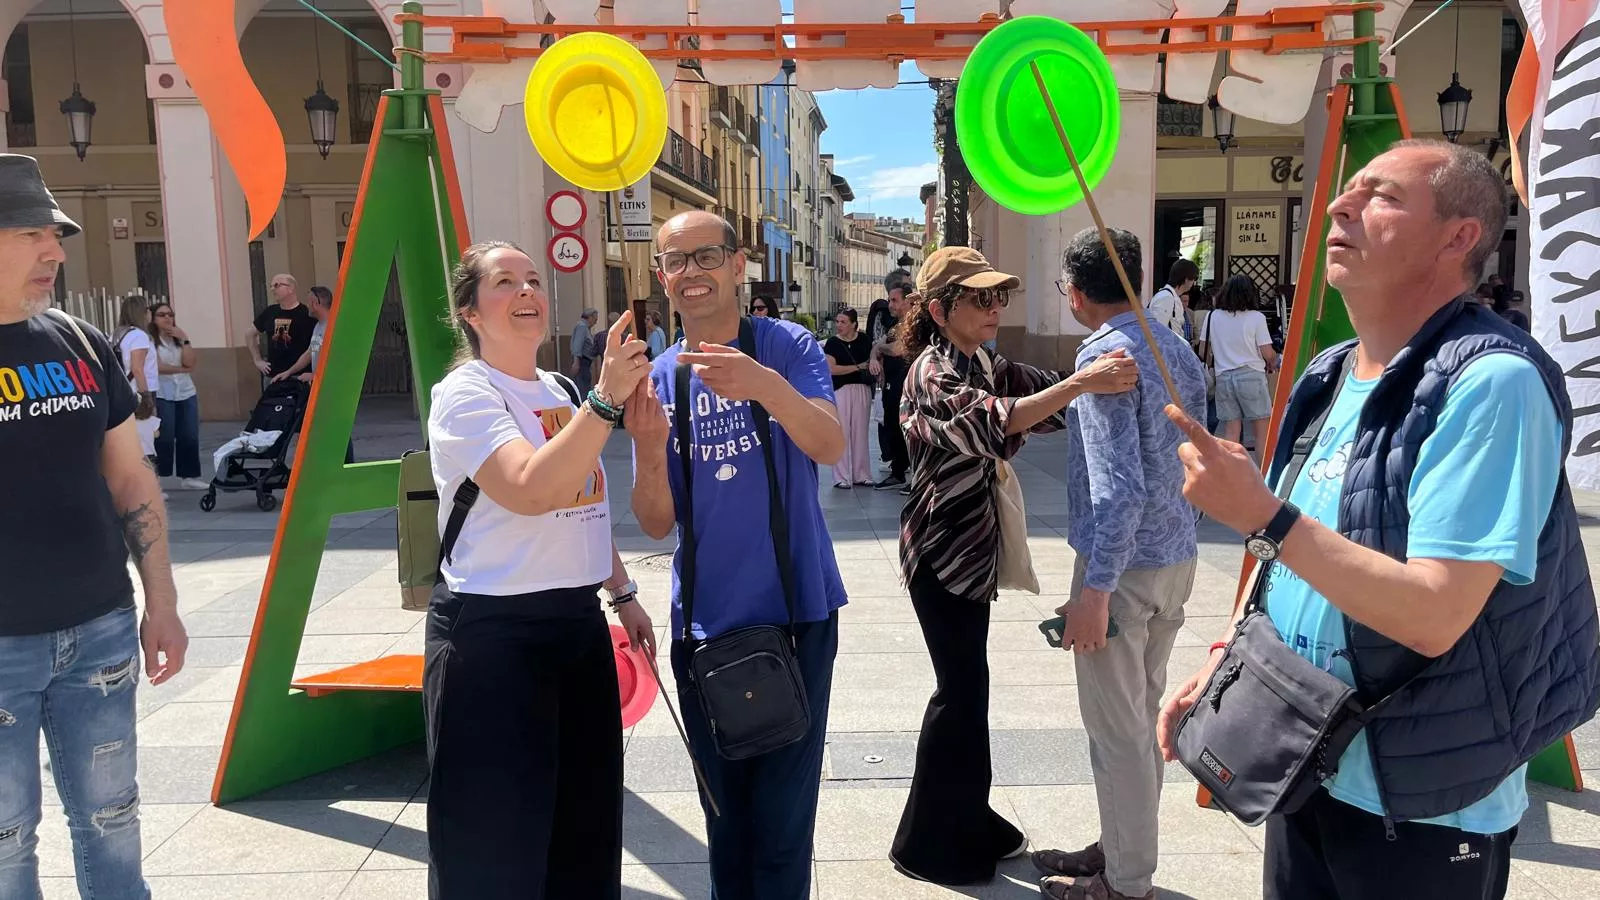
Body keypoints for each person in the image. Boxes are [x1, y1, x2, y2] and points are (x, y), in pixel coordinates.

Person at [1158, 140, 1600, 900]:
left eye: (1382, 196)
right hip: (1308, 762)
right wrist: (1227, 654)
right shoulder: (1333, 371)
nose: (1339, 205)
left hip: (1422, 799)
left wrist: (1261, 513)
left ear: (1460, 237)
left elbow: (1432, 614)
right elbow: (1298, 553)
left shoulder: (1493, 384)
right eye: (1348, 192)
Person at [889, 245, 1140, 887]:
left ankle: (969, 816)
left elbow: (1044, 402)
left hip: (971, 554)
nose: (995, 307)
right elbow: (994, 422)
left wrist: (1096, 375)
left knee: (969, 692)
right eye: (981, 298)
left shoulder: (982, 360)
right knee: (959, 695)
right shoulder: (931, 371)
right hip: (941, 555)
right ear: (942, 310)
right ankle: (926, 842)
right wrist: (1084, 382)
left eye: (999, 296)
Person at [423, 240, 656, 900]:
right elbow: (529, 487)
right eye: (505, 283)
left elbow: (580, 502)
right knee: (491, 842)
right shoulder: (464, 395)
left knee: (582, 832)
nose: (527, 292)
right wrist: (607, 399)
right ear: (470, 311)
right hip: (492, 634)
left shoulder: (560, 389)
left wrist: (622, 590)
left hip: (575, 627)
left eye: (533, 280)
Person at [628, 209, 847, 900]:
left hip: (795, 616)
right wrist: (644, 446)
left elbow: (830, 445)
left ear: (736, 263)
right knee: (725, 824)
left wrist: (764, 386)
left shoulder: (787, 346)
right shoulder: (661, 377)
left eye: (706, 256)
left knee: (783, 827)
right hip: (704, 630)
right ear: (662, 276)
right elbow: (657, 522)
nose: (691, 273)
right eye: (676, 262)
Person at [0, 152, 187, 900]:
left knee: (113, 821)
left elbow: (131, 480)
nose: (54, 249)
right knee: (6, 841)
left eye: (56, 233)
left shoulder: (79, 342)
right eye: (30, 232)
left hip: (100, 632)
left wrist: (163, 604)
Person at [1030, 230, 1209, 900]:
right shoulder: (1173, 345)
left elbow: (1117, 488)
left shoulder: (1106, 357)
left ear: (1076, 294)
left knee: (1121, 732)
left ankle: (1127, 882)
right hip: (1175, 554)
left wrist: (1095, 589)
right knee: (1139, 715)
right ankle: (1120, 848)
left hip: (1125, 566)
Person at [1198, 275, 1280, 455]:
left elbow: (1204, 348)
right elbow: (1267, 353)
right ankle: (1264, 477)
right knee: (1261, 432)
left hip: (1224, 378)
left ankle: (1230, 477)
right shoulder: (1256, 317)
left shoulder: (1212, 316)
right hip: (1251, 376)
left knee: (1230, 432)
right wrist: (1274, 361)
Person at [271, 286, 354, 463]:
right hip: (320, 389)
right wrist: (289, 371)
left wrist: (315, 376)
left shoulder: (334, 326)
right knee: (324, 429)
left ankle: (346, 464)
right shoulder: (318, 326)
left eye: (309, 301)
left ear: (316, 303)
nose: (306, 305)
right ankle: (330, 463)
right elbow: (309, 353)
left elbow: (337, 361)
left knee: (339, 428)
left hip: (334, 389)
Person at [149, 301, 207, 489]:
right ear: (153, 318)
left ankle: (189, 476)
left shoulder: (178, 337)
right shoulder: (149, 340)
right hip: (162, 392)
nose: (167, 318)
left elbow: (191, 362)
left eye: (170, 314)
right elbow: (157, 367)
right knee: (164, 436)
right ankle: (158, 477)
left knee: (189, 434)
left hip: (185, 391)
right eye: (162, 315)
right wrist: (182, 369)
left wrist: (185, 339)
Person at [868, 282, 914, 491]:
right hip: (891, 386)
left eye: (894, 300)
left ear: (907, 300)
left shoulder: (915, 324)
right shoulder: (896, 326)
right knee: (892, 428)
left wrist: (881, 348)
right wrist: (873, 358)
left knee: (909, 431)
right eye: (889, 300)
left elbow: (897, 349)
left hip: (909, 387)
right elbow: (879, 346)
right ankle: (897, 472)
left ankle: (915, 476)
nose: (890, 304)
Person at [823, 307, 874, 489]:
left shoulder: (864, 340)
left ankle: (862, 474)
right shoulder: (832, 343)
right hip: (841, 390)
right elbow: (831, 369)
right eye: (837, 321)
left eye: (843, 322)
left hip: (862, 389)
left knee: (861, 432)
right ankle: (840, 477)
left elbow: (872, 361)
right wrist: (857, 367)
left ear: (853, 324)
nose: (839, 325)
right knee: (842, 432)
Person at [113, 296, 161, 462]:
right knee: (145, 441)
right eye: (147, 309)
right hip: (140, 390)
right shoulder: (139, 336)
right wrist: (146, 397)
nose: (150, 313)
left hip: (124, 390)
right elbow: (137, 369)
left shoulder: (119, 334)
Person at [248, 273, 316, 379]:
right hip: (273, 376)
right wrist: (257, 360)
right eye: (271, 286)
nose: (272, 290)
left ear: (291, 288)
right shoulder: (270, 312)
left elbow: (316, 346)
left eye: (276, 285)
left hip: (299, 376)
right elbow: (250, 334)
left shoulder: (307, 313)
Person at [1148, 257, 1198, 342]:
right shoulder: (1166, 298)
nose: (1193, 283)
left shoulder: (1171, 297)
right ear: (1186, 279)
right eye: (1194, 279)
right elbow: (1156, 333)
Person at [569, 307, 598, 396]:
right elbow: (577, 345)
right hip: (582, 363)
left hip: (585, 363)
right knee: (583, 390)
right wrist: (576, 362)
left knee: (584, 388)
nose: (596, 322)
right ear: (590, 317)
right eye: (595, 319)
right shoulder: (582, 327)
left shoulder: (585, 328)